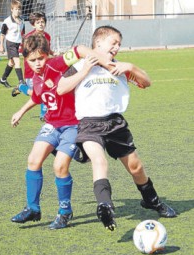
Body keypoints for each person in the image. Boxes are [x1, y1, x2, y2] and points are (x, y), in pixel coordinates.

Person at [57, 25, 176, 231]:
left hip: (115, 124)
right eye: (114, 42)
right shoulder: (81, 64)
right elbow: (61, 88)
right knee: (99, 160)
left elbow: (146, 82)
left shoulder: (118, 66)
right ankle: (105, 206)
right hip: (89, 125)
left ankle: (152, 200)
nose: (117, 47)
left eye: (119, 44)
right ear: (99, 42)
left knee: (136, 168)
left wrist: (130, 66)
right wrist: (85, 71)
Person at [10, 34, 109, 229]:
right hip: (52, 124)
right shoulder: (34, 77)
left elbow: (79, 50)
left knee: (59, 166)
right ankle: (33, 208)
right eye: (32, 60)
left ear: (48, 55)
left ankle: (64, 211)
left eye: (41, 58)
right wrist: (20, 111)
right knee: (33, 160)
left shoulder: (56, 63)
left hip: (73, 124)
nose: (38, 64)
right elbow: (38, 98)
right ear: (26, 60)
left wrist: (102, 61)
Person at [12, 12, 53, 119]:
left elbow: (47, 50)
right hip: (32, 71)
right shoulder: (28, 37)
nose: (41, 24)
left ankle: (43, 114)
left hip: (44, 68)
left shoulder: (47, 36)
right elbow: (24, 52)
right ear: (33, 24)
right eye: (38, 22)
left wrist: (53, 54)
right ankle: (21, 87)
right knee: (35, 93)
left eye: (43, 22)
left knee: (45, 89)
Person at [0, 0, 25, 88]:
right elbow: (2, 34)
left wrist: (23, 44)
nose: (17, 11)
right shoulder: (7, 21)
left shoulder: (22, 21)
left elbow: (23, 34)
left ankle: (3, 79)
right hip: (10, 43)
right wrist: (1, 45)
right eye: (15, 9)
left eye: (19, 9)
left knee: (11, 62)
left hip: (18, 44)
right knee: (17, 61)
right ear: (11, 9)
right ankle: (21, 81)